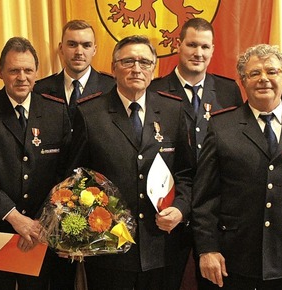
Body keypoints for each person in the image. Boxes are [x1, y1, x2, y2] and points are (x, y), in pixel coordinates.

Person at [192, 43, 282, 289]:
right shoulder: (222, 127)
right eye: (254, 73)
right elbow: (205, 197)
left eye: (271, 72)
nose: (264, 79)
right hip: (234, 258)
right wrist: (207, 249)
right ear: (243, 81)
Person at [67, 35, 195, 290]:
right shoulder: (89, 112)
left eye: (145, 62)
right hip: (108, 248)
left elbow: (187, 172)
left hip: (162, 245)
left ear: (154, 68)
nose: (137, 68)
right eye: (128, 61)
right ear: (113, 68)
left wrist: (180, 209)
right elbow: (76, 177)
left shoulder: (173, 109)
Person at [0, 36, 71, 290]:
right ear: (0, 71)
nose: (22, 77)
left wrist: (43, 222)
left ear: (37, 71)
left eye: (28, 70)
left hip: (42, 233)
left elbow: (65, 174)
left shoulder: (57, 111)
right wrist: (14, 217)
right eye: (14, 70)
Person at [147, 17, 244, 290]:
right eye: (191, 45)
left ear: (213, 49)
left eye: (204, 46)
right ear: (178, 45)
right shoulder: (154, 89)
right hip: (169, 209)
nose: (198, 53)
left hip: (216, 210)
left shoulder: (228, 90)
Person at [33, 19, 115, 122]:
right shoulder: (41, 90)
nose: (79, 52)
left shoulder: (111, 87)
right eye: (72, 45)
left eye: (86, 45)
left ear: (94, 50)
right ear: (61, 48)